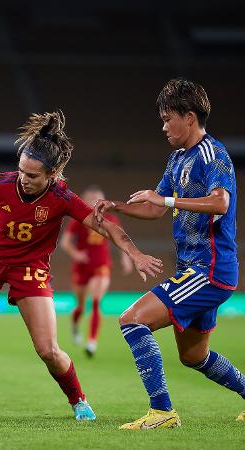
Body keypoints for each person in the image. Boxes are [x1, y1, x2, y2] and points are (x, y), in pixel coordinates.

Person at [0, 110, 163, 422]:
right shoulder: (2, 183)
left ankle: (78, 400)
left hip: (30, 268)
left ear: (51, 175)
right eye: (21, 170)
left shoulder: (62, 197)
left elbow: (104, 226)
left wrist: (133, 252)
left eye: (32, 175)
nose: (23, 178)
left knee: (48, 350)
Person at [94, 78, 244, 429]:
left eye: (167, 118)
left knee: (131, 320)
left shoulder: (213, 153)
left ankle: (162, 412)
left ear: (189, 117)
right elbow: (155, 208)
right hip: (197, 270)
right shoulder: (177, 158)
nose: (163, 127)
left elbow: (220, 203)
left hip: (209, 270)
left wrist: (166, 199)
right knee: (194, 355)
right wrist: (116, 206)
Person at [60, 185, 133, 356]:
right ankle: (76, 326)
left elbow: (120, 239)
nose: (96, 202)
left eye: (99, 198)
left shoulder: (111, 219)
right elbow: (65, 242)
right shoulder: (78, 220)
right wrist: (76, 253)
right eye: (92, 199)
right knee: (80, 305)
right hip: (82, 267)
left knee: (95, 302)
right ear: (84, 201)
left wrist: (125, 258)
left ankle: (92, 342)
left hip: (101, 266)